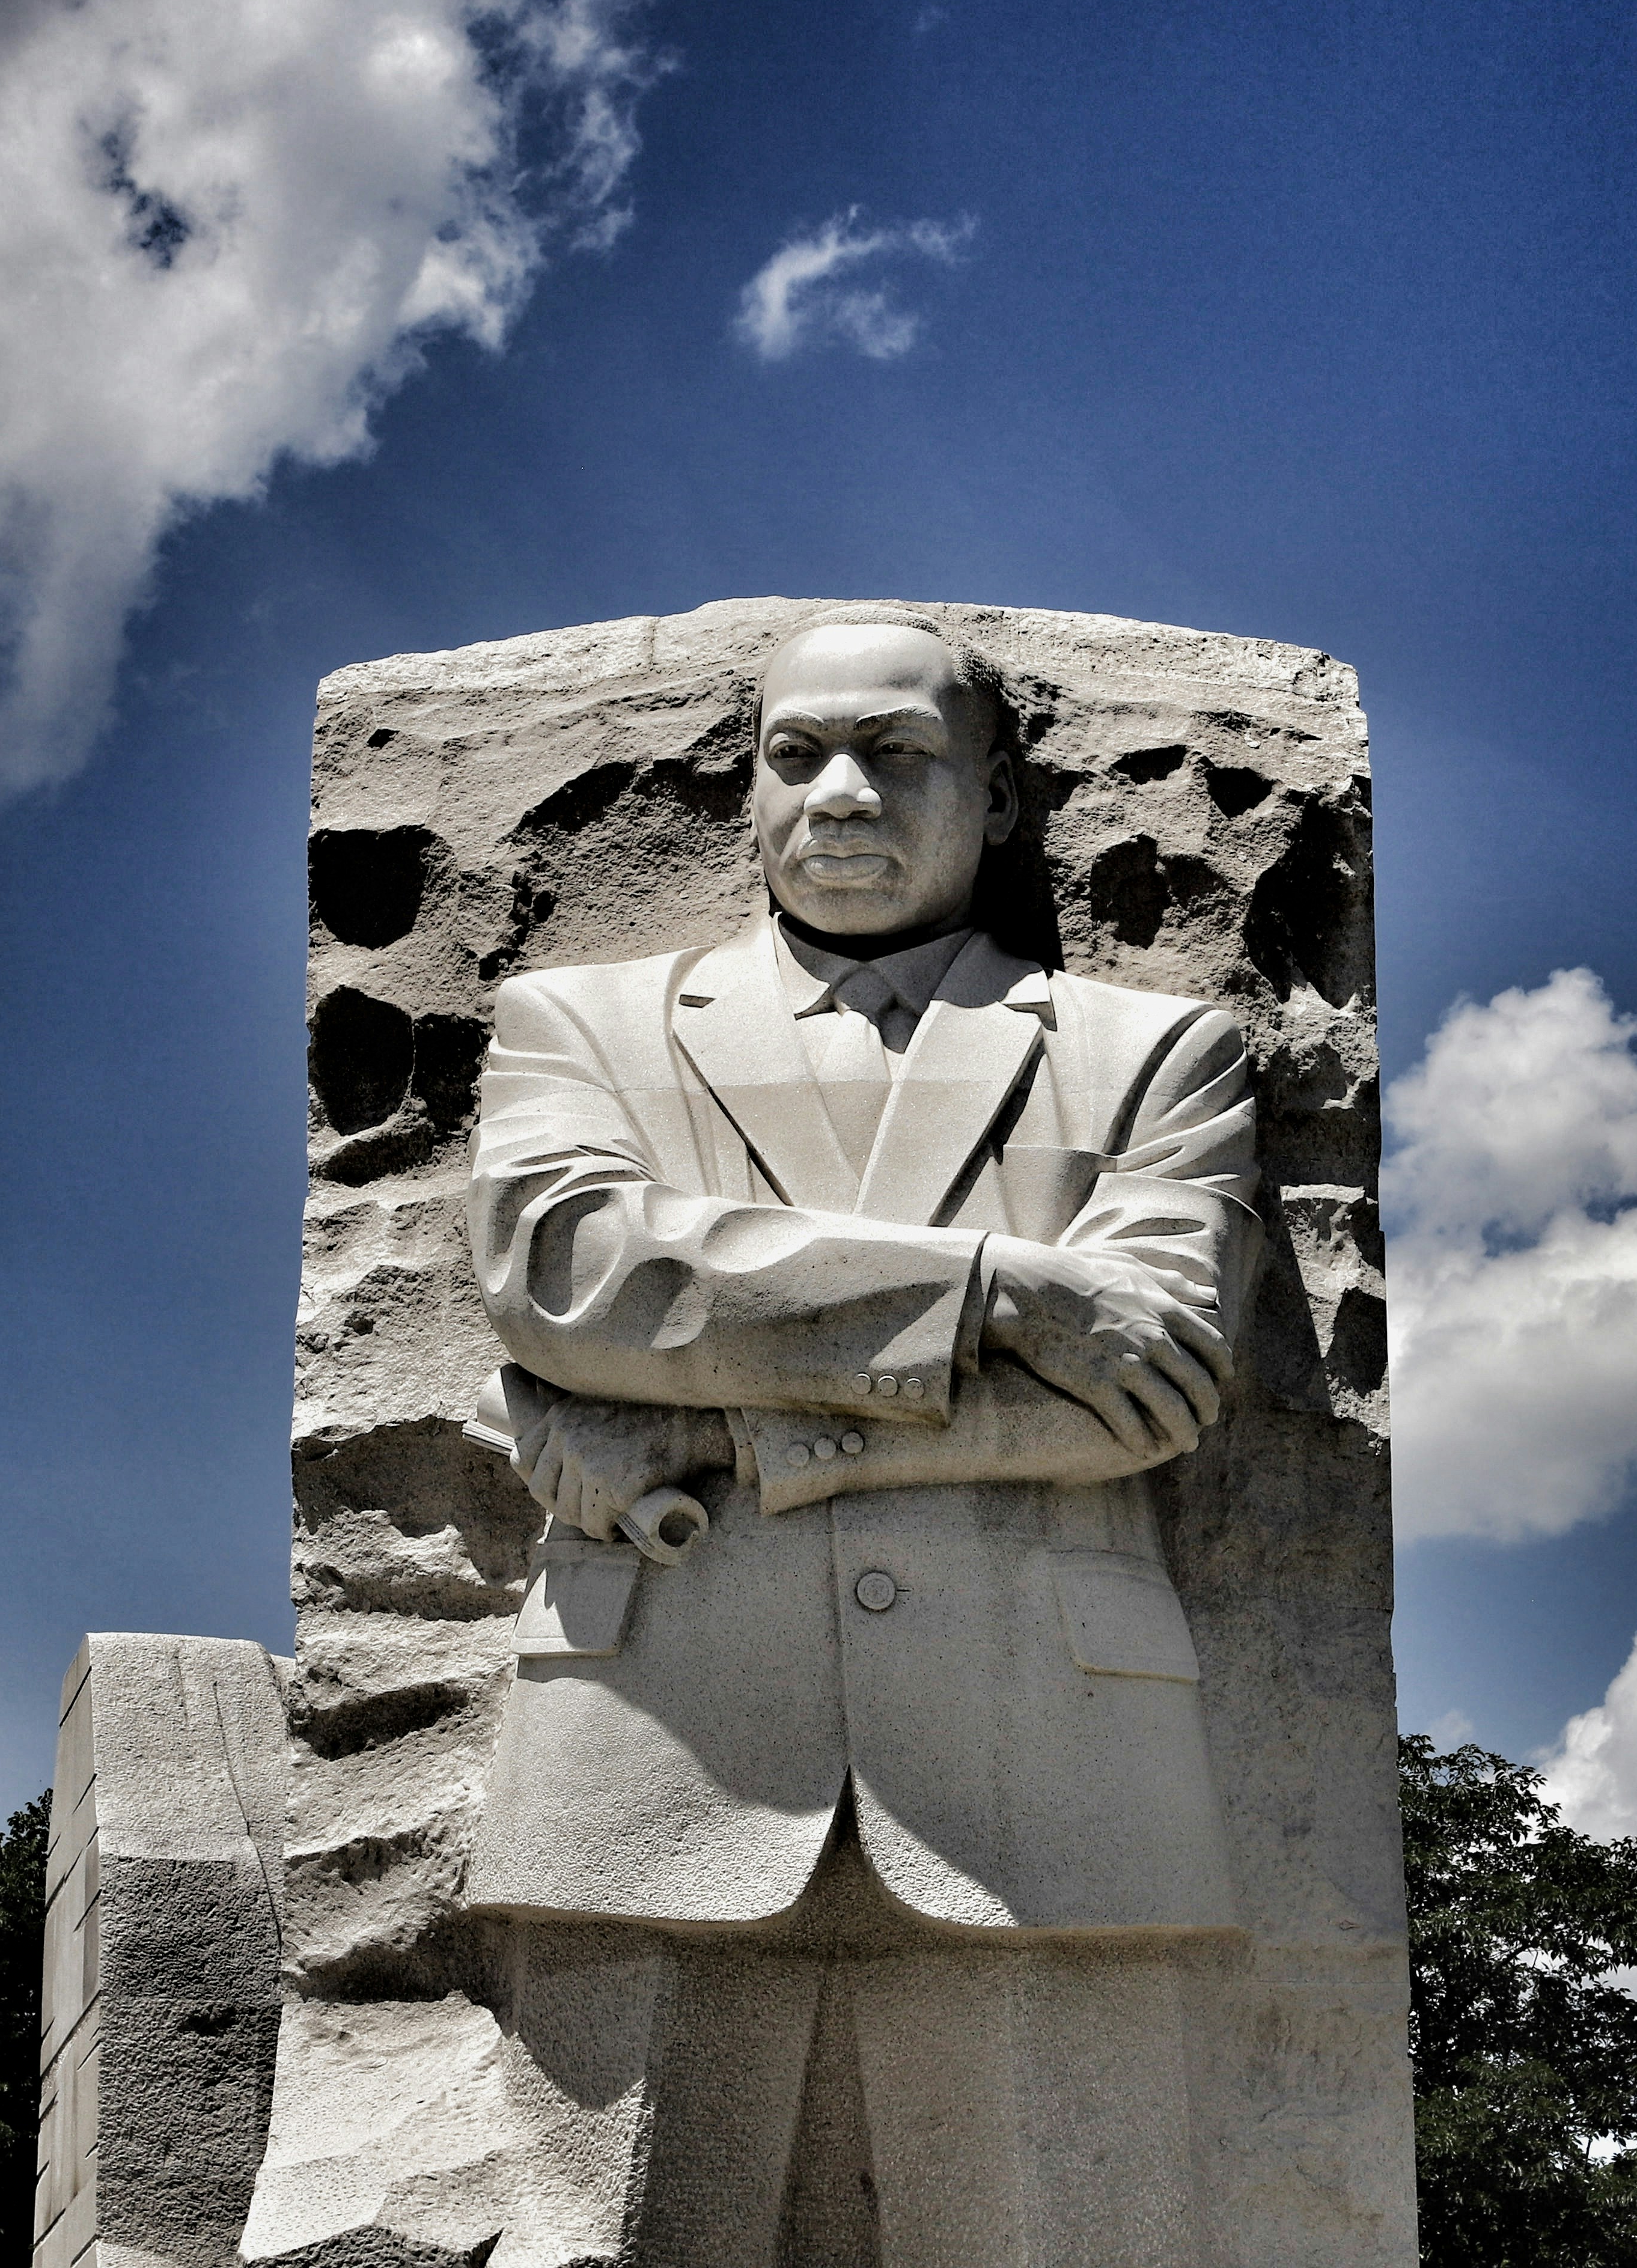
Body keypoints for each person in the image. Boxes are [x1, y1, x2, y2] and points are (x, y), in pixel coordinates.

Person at [457, 603, 1260, 2267]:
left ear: (998, 799)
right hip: (654, 1742)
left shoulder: (1157, 1054)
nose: (838, 795)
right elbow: (573, 1275)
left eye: (896, 756)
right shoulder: (577, 1026)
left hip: (1053, 1780)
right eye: (795, 755)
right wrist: (999, 1289)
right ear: (745, 788)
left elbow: (1157, 1380)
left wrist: (769, 1433)